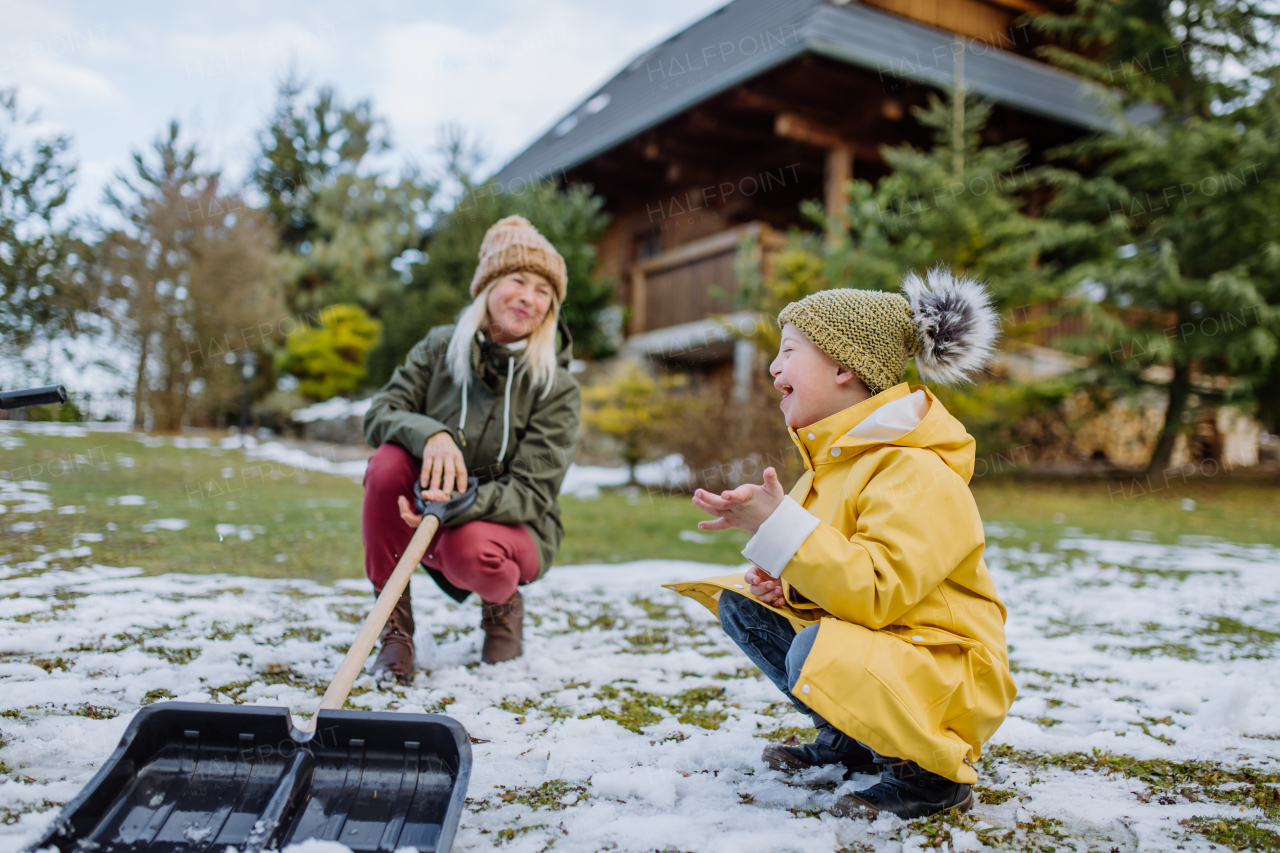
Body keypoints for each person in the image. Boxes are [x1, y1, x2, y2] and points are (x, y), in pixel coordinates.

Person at [666, 268, 1017, 819]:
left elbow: (877, 590)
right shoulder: (828, 470)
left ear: (843, 366)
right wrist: (789, 587)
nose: (773, 367)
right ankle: (852, 739)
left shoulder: (914, 468)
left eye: (788, 352)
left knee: (811, 649)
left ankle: (929, 775)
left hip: (945, 672)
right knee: (744, 604)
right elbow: (843, 585)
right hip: (892, 650)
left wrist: (781, 528)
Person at [361, 215, 581, 680]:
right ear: (487, 287)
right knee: (386, 464)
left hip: (513, 526)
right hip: (424, 505)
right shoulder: (438, 349)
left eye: (544, 290)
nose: (529, 296)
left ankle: (503, 608)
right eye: (517, 280)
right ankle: (394, 632)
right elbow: (380, 413)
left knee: (472, 549)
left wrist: (453, 506)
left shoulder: (555, 386)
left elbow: (533, 490)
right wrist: (431, 435)